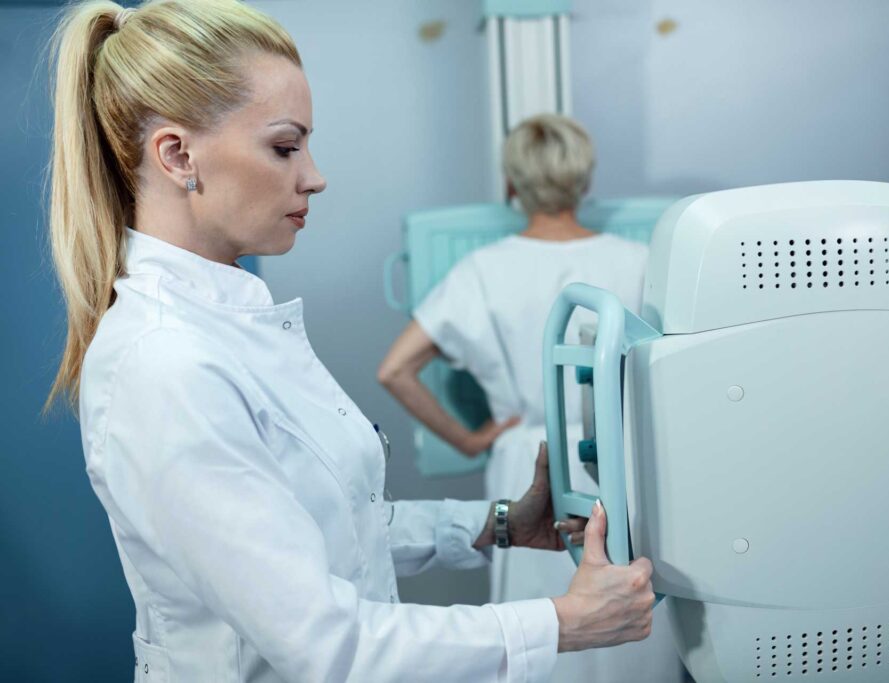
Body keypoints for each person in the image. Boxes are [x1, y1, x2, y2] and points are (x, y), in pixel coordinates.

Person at [45, 2, 655, 681]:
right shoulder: (164, 364)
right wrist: (566, 622)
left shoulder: (227, 327)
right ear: (178, 155)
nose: (314, 175)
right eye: (285, 147)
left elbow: (338, 529)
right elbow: (326, 642)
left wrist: (503, 521)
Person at [378, 114, 685, 681]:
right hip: (626, 461)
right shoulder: (640, 260)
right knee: (634, 621)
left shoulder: (483, 270)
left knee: (541, 637)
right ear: (584, 179)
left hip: (530, 467)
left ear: (511, 183)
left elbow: (396, 369)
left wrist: (470, 441)